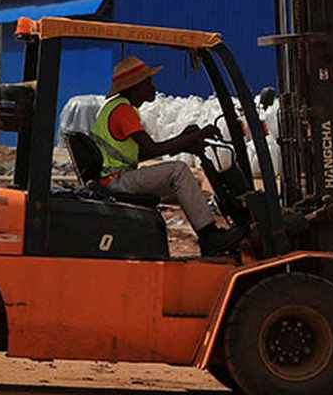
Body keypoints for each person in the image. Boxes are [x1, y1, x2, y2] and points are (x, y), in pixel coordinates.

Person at [90, 56, 237, 258]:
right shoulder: (123, 110)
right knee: (179, 170)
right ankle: (210, 236)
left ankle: (207, 235)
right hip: (116, 180)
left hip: (114, 177)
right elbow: (152, 149)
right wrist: (197, 135)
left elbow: (146, 152)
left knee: (185, 185)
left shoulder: (117, 107)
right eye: (148, 82)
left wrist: (184, 139)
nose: (152, 87)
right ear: (135, 86)